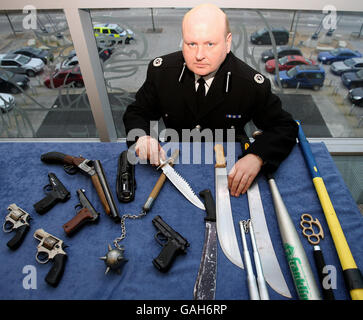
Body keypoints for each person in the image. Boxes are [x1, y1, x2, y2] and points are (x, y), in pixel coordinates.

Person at [123, 3, 298, 197]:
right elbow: (136, 112)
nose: (199, 55)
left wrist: (257, 157)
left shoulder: (250, 85)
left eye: (210, 44)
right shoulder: (161, 72)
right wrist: (142, 138)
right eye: (191, 44)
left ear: (228, 42)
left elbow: (285, 127)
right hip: (176, 161)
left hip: (228, 167)